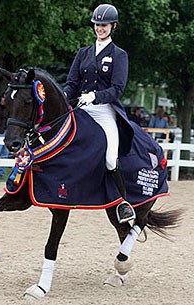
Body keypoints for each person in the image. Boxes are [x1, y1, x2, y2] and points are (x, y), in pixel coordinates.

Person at [64, 4, 135, 223]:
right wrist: (64, 96)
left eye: (104, 25)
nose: (100, 29)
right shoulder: (83, 52)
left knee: (110, 158)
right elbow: (72, 82)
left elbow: (117, 89)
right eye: (97, 25)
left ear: (113, 26)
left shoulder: (119, 55)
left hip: (104, 111)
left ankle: (123, 204)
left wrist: (95, 96)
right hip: (81, 108)